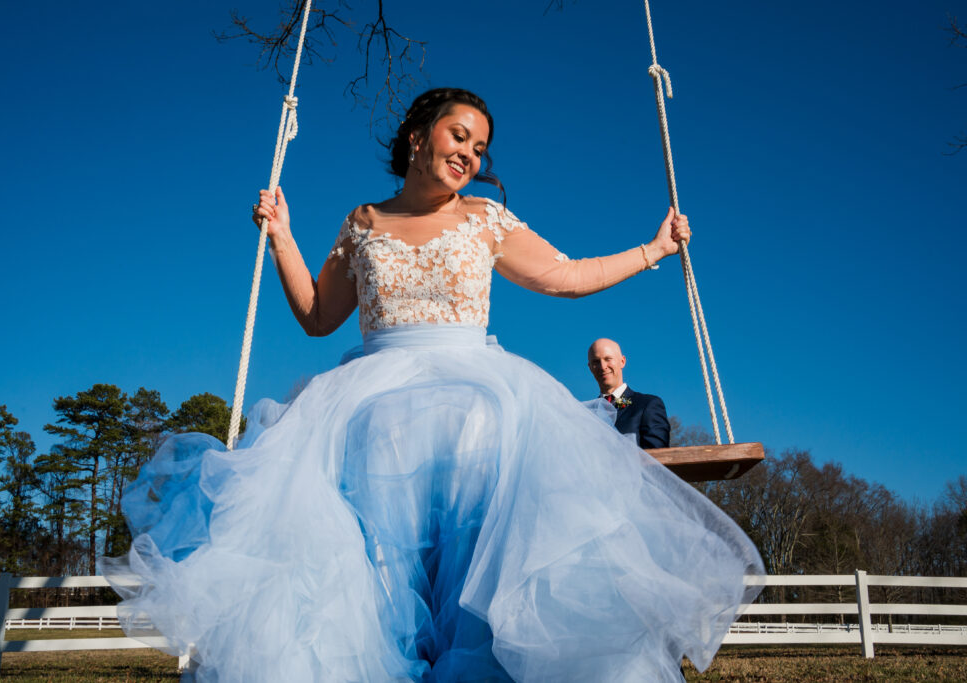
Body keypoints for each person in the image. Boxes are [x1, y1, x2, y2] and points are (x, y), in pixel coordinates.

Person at [101, 88, 762, 682]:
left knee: (473, 568)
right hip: (370, 411)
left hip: (478, 405)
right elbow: (316, 317)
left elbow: (565, 276)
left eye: (480, 147)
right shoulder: (362, 221)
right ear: (419, 137)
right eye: (459, 136)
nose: (471, 154)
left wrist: (655, 250)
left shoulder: (484, 218)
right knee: (376, 572)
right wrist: (281, 238)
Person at [588, 337, 671, 449]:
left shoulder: (647, 405)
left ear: (622, 361)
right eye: (596, 362)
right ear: (590, 367)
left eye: (608, 359)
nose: (603, 367)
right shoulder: (586, 414)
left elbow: (658, 456)